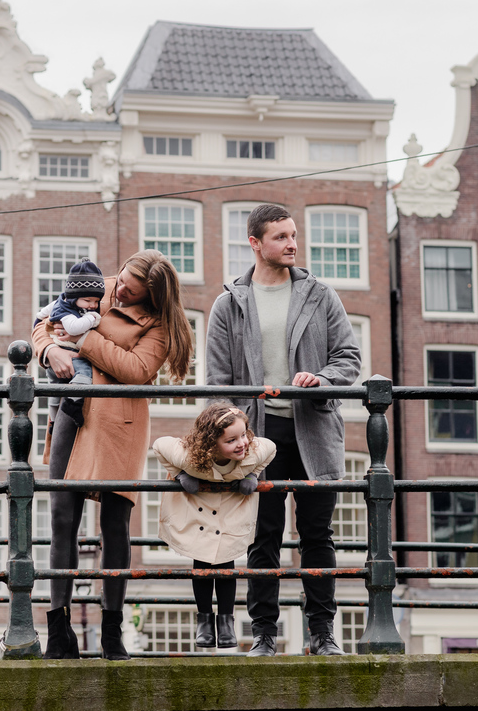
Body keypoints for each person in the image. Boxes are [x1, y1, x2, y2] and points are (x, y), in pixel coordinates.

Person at [206, 203, 361, 657]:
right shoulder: (228, 304)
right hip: (255, 439)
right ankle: (264, 636)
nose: (292, 244)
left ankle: (322, 634)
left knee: (318, 536)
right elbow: (218, 383)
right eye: (280, 237)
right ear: (255, 243)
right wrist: (232, 434)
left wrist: (322, 379)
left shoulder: (321, 295)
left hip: (314, 431)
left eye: (294, 235)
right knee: (263, 538)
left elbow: (348, 359)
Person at [34, 250, 193, 661]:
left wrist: (84, 339)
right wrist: (48, 351)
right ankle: (58, 630)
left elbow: (137, 369)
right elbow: (43, 322)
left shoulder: (158, 325)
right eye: (121, 279)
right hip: (74, 413)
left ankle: (111, 632)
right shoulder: (95, 287)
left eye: (130, 291)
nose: (117, 290)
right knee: (61, 519)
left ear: (151, 298)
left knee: (115, 526)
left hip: (119, 424)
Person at [152, 405, 277, 649]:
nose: (241, 443)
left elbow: (270, 448)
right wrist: (179, 474)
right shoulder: (189, 457)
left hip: (229, 510)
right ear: (211, 443)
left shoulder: (251, 452)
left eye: (243, 434)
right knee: (202, 560)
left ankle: (226, 621)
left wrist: (254, 475)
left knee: (225, 561)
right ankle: (205, 620)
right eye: (231, 440)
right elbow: (159, 445)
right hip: (199, 508)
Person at [36, 258, 105, 426]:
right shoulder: (66, 311)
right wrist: (92, 318)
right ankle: (74, 403)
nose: (92, 306)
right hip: (69, 356)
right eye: (88, 301)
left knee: (54, 393)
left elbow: (40, 315)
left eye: (96, 302)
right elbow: (74, 329)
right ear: (74, 297)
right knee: (85, 373)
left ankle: (53, 421)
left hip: (59, 359)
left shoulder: (59, 302)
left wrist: (39, 321)